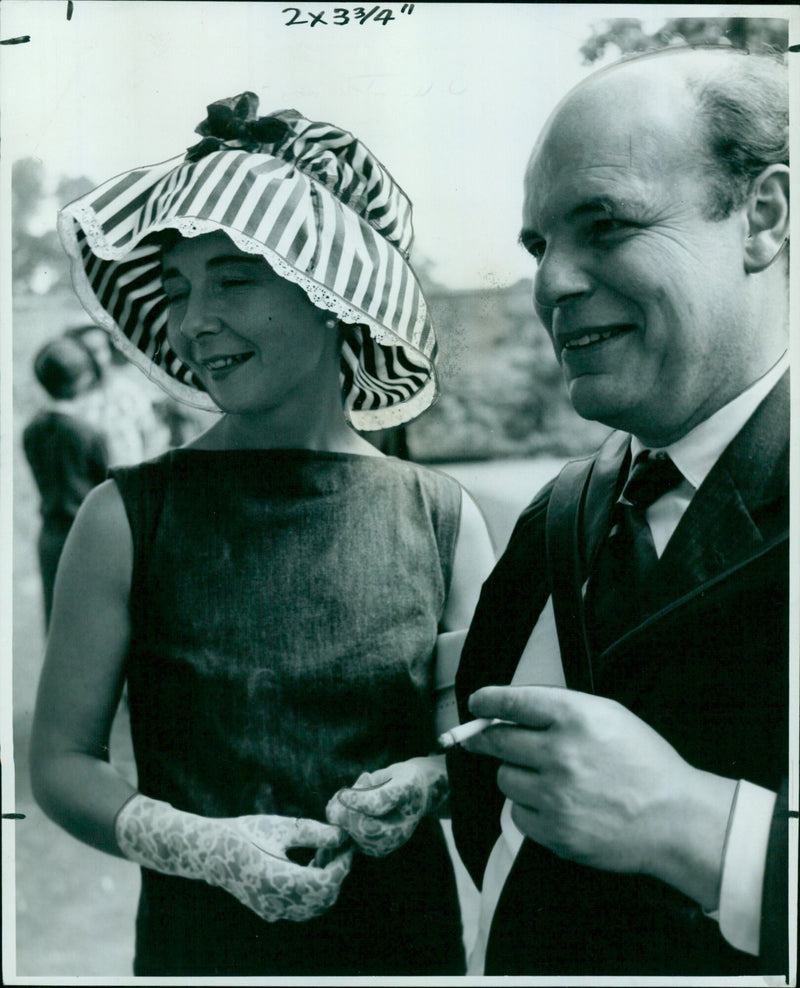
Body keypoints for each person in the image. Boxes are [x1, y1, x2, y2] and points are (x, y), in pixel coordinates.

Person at [31, 93, 495, 976]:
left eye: (233, 279)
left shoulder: (441, 517)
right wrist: (196, 844)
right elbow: (60, 762)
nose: (195, 318)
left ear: (331, 294)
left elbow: (468, 737)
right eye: (175, 289)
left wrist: (431, 781)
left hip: (404, 947)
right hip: (199, 953)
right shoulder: (126, 518)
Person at [448, 46, 790, 976]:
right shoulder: (565, 511)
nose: (551, 285)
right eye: (539, 245)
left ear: (761, 217)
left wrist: (698, 825)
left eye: (605, 223)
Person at [23, 336, 110, 626]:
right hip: (86, 538)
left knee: (58, 622)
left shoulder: (32, 429)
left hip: (50, 536)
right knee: (91, 626)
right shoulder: (88, 434)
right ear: (83, 380)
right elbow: (107, 486)